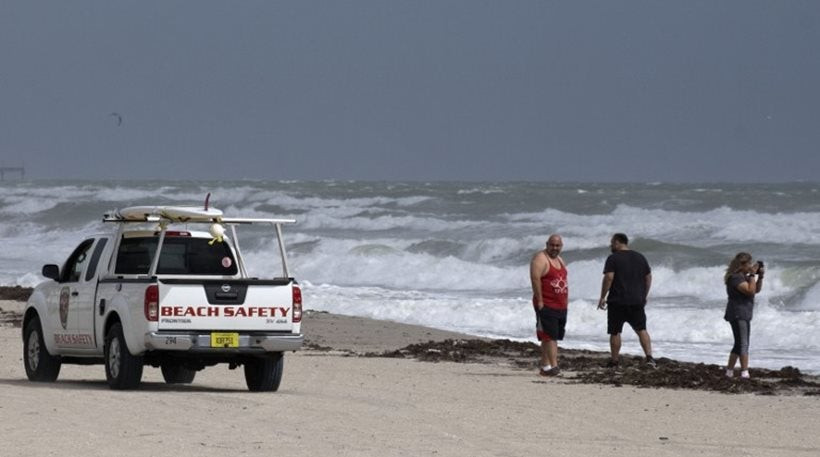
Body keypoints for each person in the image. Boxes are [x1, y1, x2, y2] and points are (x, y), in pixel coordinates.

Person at [597, 233, 656, 368]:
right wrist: (644, 295)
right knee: (641, 329)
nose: (611, 246)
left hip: (617, 301)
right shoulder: (640, 257)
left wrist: (602, 297)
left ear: (618, 242)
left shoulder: (613, 258)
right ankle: (649, 357)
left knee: (615, 331)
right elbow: (648, 278)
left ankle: (615, 361)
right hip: (636, 301)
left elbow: (609, 278)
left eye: (612, 243)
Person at [530, 234, 568, 376]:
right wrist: (540, 301)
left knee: (550, 336)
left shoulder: (560, 260)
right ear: (547, 244)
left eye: (557, 245)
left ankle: (545, 366)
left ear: (561, 246)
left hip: (561, 305)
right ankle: (554, 366)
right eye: (552, 245)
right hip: (546, 304)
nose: (554, 248)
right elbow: (535, 279)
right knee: (550, 336)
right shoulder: (540, 259)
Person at [723, 252, 764, 379]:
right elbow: (749, 291)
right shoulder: (736, 278)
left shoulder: (743, 277)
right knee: (744, 344)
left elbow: (755, 290)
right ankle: (744, 372)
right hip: (738, 313)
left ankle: (729, 371)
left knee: (739, 343)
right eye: (749, 264)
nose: (751, 266)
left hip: (743, 313)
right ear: (742, 264)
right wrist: (752, 274)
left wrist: (760, 277)